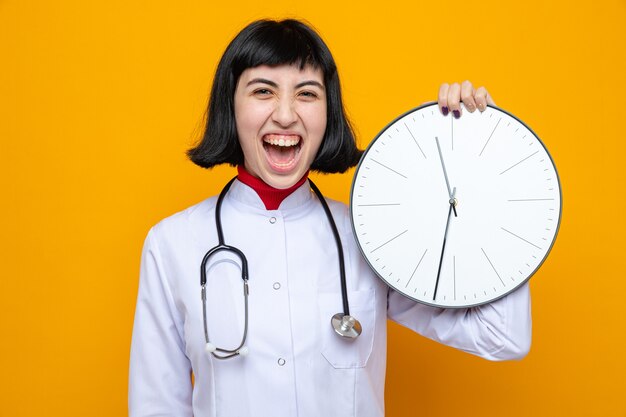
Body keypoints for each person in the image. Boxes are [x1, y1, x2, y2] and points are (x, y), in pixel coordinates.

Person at [129, 18, 531, 417]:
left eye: (306, 93)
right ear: (230, 105)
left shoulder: (373, 237)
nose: (285, 115)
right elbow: (155, 405)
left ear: (328, 112)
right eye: (263, 91)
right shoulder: (172, 244)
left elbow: (503, 335)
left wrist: (487, 158)